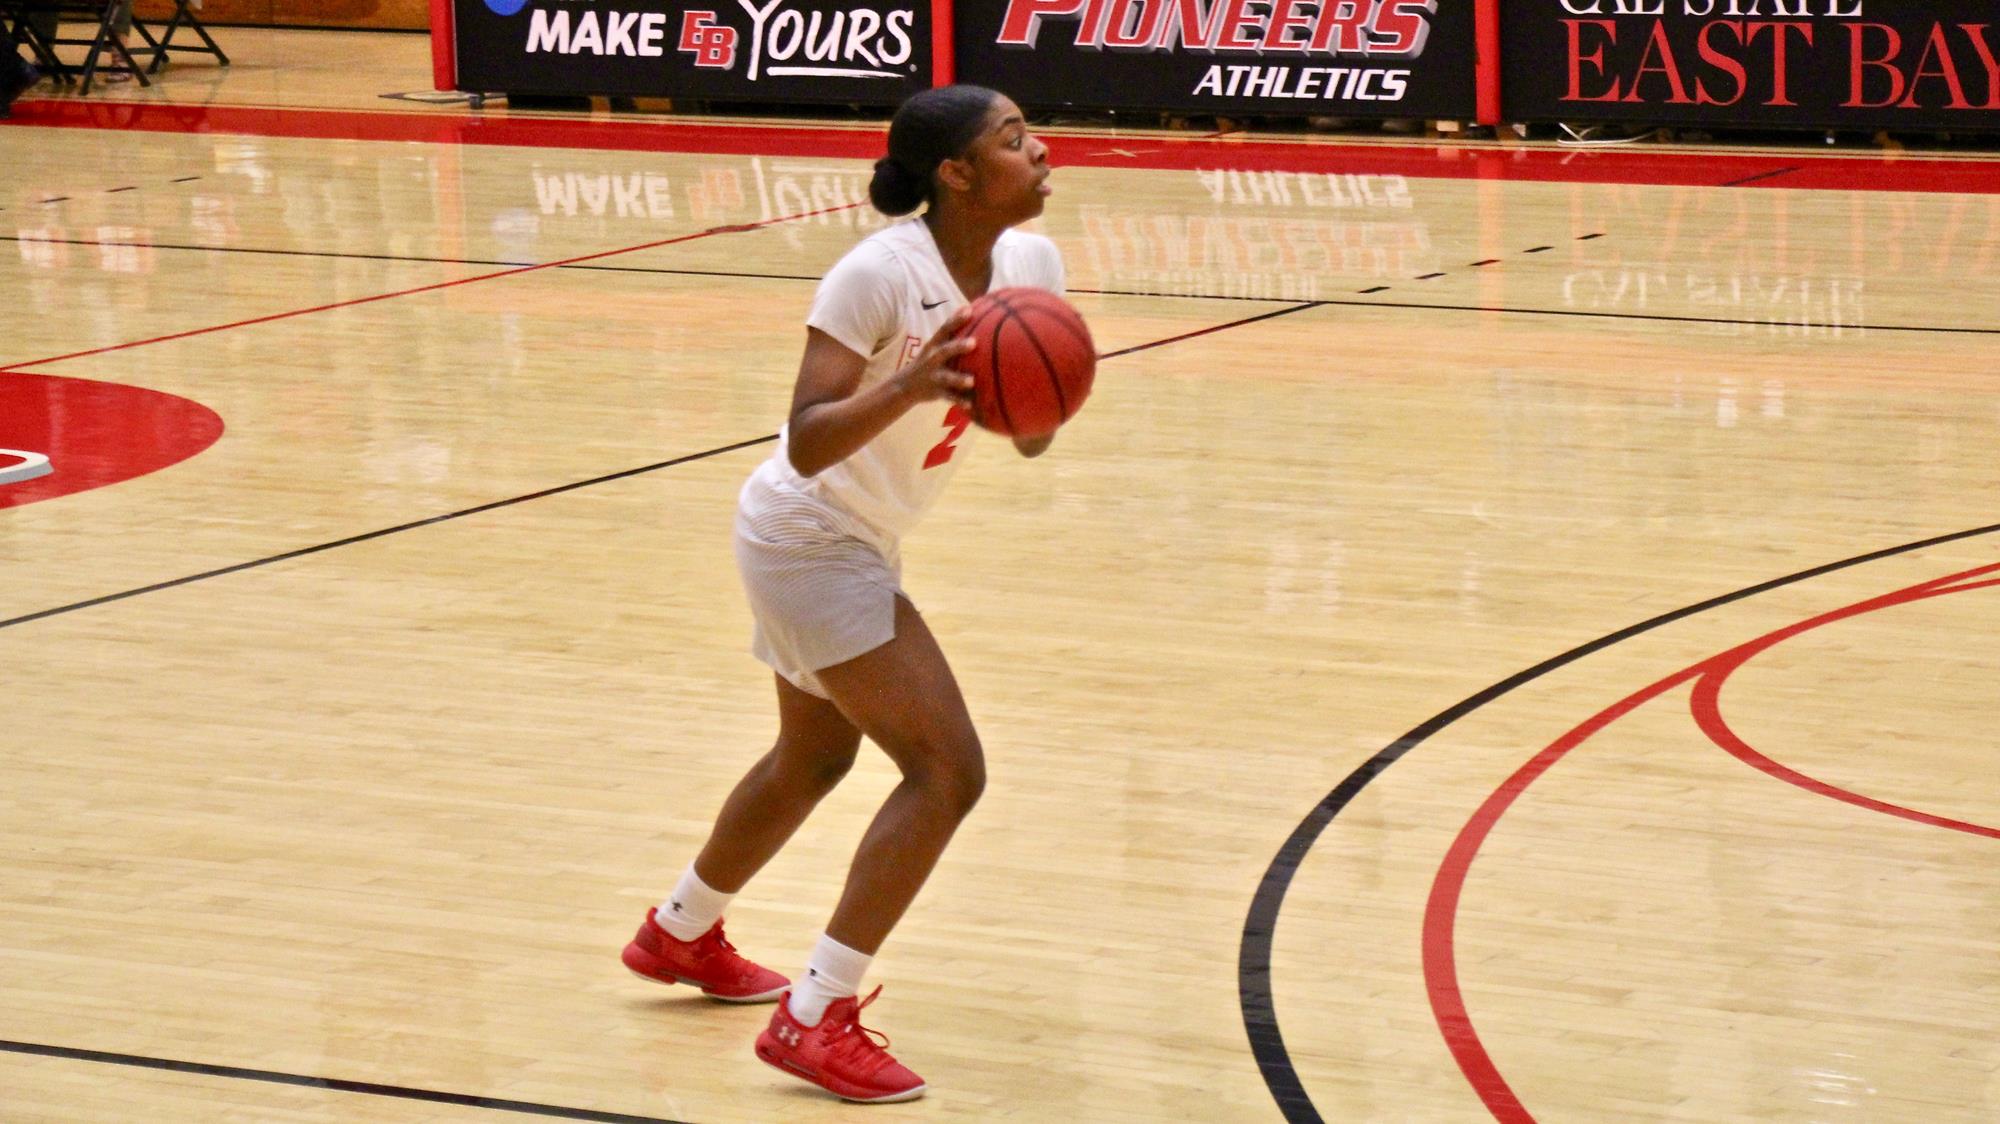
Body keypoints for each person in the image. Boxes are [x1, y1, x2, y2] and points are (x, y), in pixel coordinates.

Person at [619, 84, 1061, 1105]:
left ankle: (678, 931)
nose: (1039, 151)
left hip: (857, 534)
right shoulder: (877, 273)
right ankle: (815, 1014)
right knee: (947, 769)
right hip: (807, 532)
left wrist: (1034, 385)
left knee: (813, 755)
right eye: (1011, 139)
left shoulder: (1031, 266)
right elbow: (809, 436)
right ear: (953, 174)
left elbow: (1033, 428)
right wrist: (911, 383)